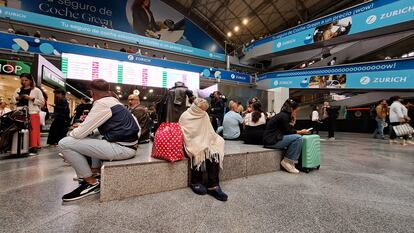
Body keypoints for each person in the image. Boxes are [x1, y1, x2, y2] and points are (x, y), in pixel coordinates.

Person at [58, 79, 140, 202]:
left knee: (64, 143)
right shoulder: (115, 103)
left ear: (92, 93)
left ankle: (91, 182)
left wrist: (72, 132)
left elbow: (80, 133)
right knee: (93, 136)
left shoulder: (102, 104)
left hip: (122, 149)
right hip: (128, 146)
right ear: (108, 91)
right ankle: (95, 172)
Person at [179, 98, 227, 201]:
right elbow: (186, 133)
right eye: (201, 109)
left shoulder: (204, 115)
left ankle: (213, 185)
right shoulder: (185, 116)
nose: (203, 112)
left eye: (205, 110)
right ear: (195, 107)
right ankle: (195, 181)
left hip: (205, 139)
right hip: (190, 142)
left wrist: (209, 140)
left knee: (213, 150)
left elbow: (209, 130)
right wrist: (199, 141)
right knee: (198, 150)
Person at [263, 99, 309, 174]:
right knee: (298, 138)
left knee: (297, 137)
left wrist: (293, 121)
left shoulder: (283, 115)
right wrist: (301, 132)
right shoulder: (284, 116)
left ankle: (291, 163)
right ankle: (287, 162)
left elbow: (288, 130)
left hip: (272, 139)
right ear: (291, 109)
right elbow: (288, 131)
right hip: (271, 141)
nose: (296, 113)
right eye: (296, 111)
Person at [11, 73, 45, 155]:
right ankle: (20, 146)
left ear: (30, 80)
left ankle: (33, 147)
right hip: (20, 112)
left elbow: (42, 103)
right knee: (19, 129)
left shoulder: (36, 90)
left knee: (33, 130)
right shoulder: (18, 90)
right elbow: (13, 101)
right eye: (22, 80)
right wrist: (17, 98)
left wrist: (31, 98)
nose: (24, 82)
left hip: (32, 112)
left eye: (26, 80)